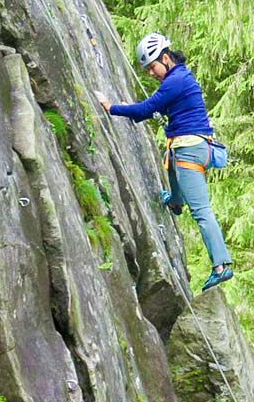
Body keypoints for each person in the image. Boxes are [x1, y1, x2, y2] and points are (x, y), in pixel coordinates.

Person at [93, 32, 234, 292]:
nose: (151, 73)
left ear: (165, 58)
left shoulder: (174, 81)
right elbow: (157, 107)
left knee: (202, 211)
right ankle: (175, 201)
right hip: (193, 147)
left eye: (152, 67)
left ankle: (221, 266)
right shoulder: (180, 77)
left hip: (190, 150)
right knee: (170, 159)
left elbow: (146, 109)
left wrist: (111, 107)